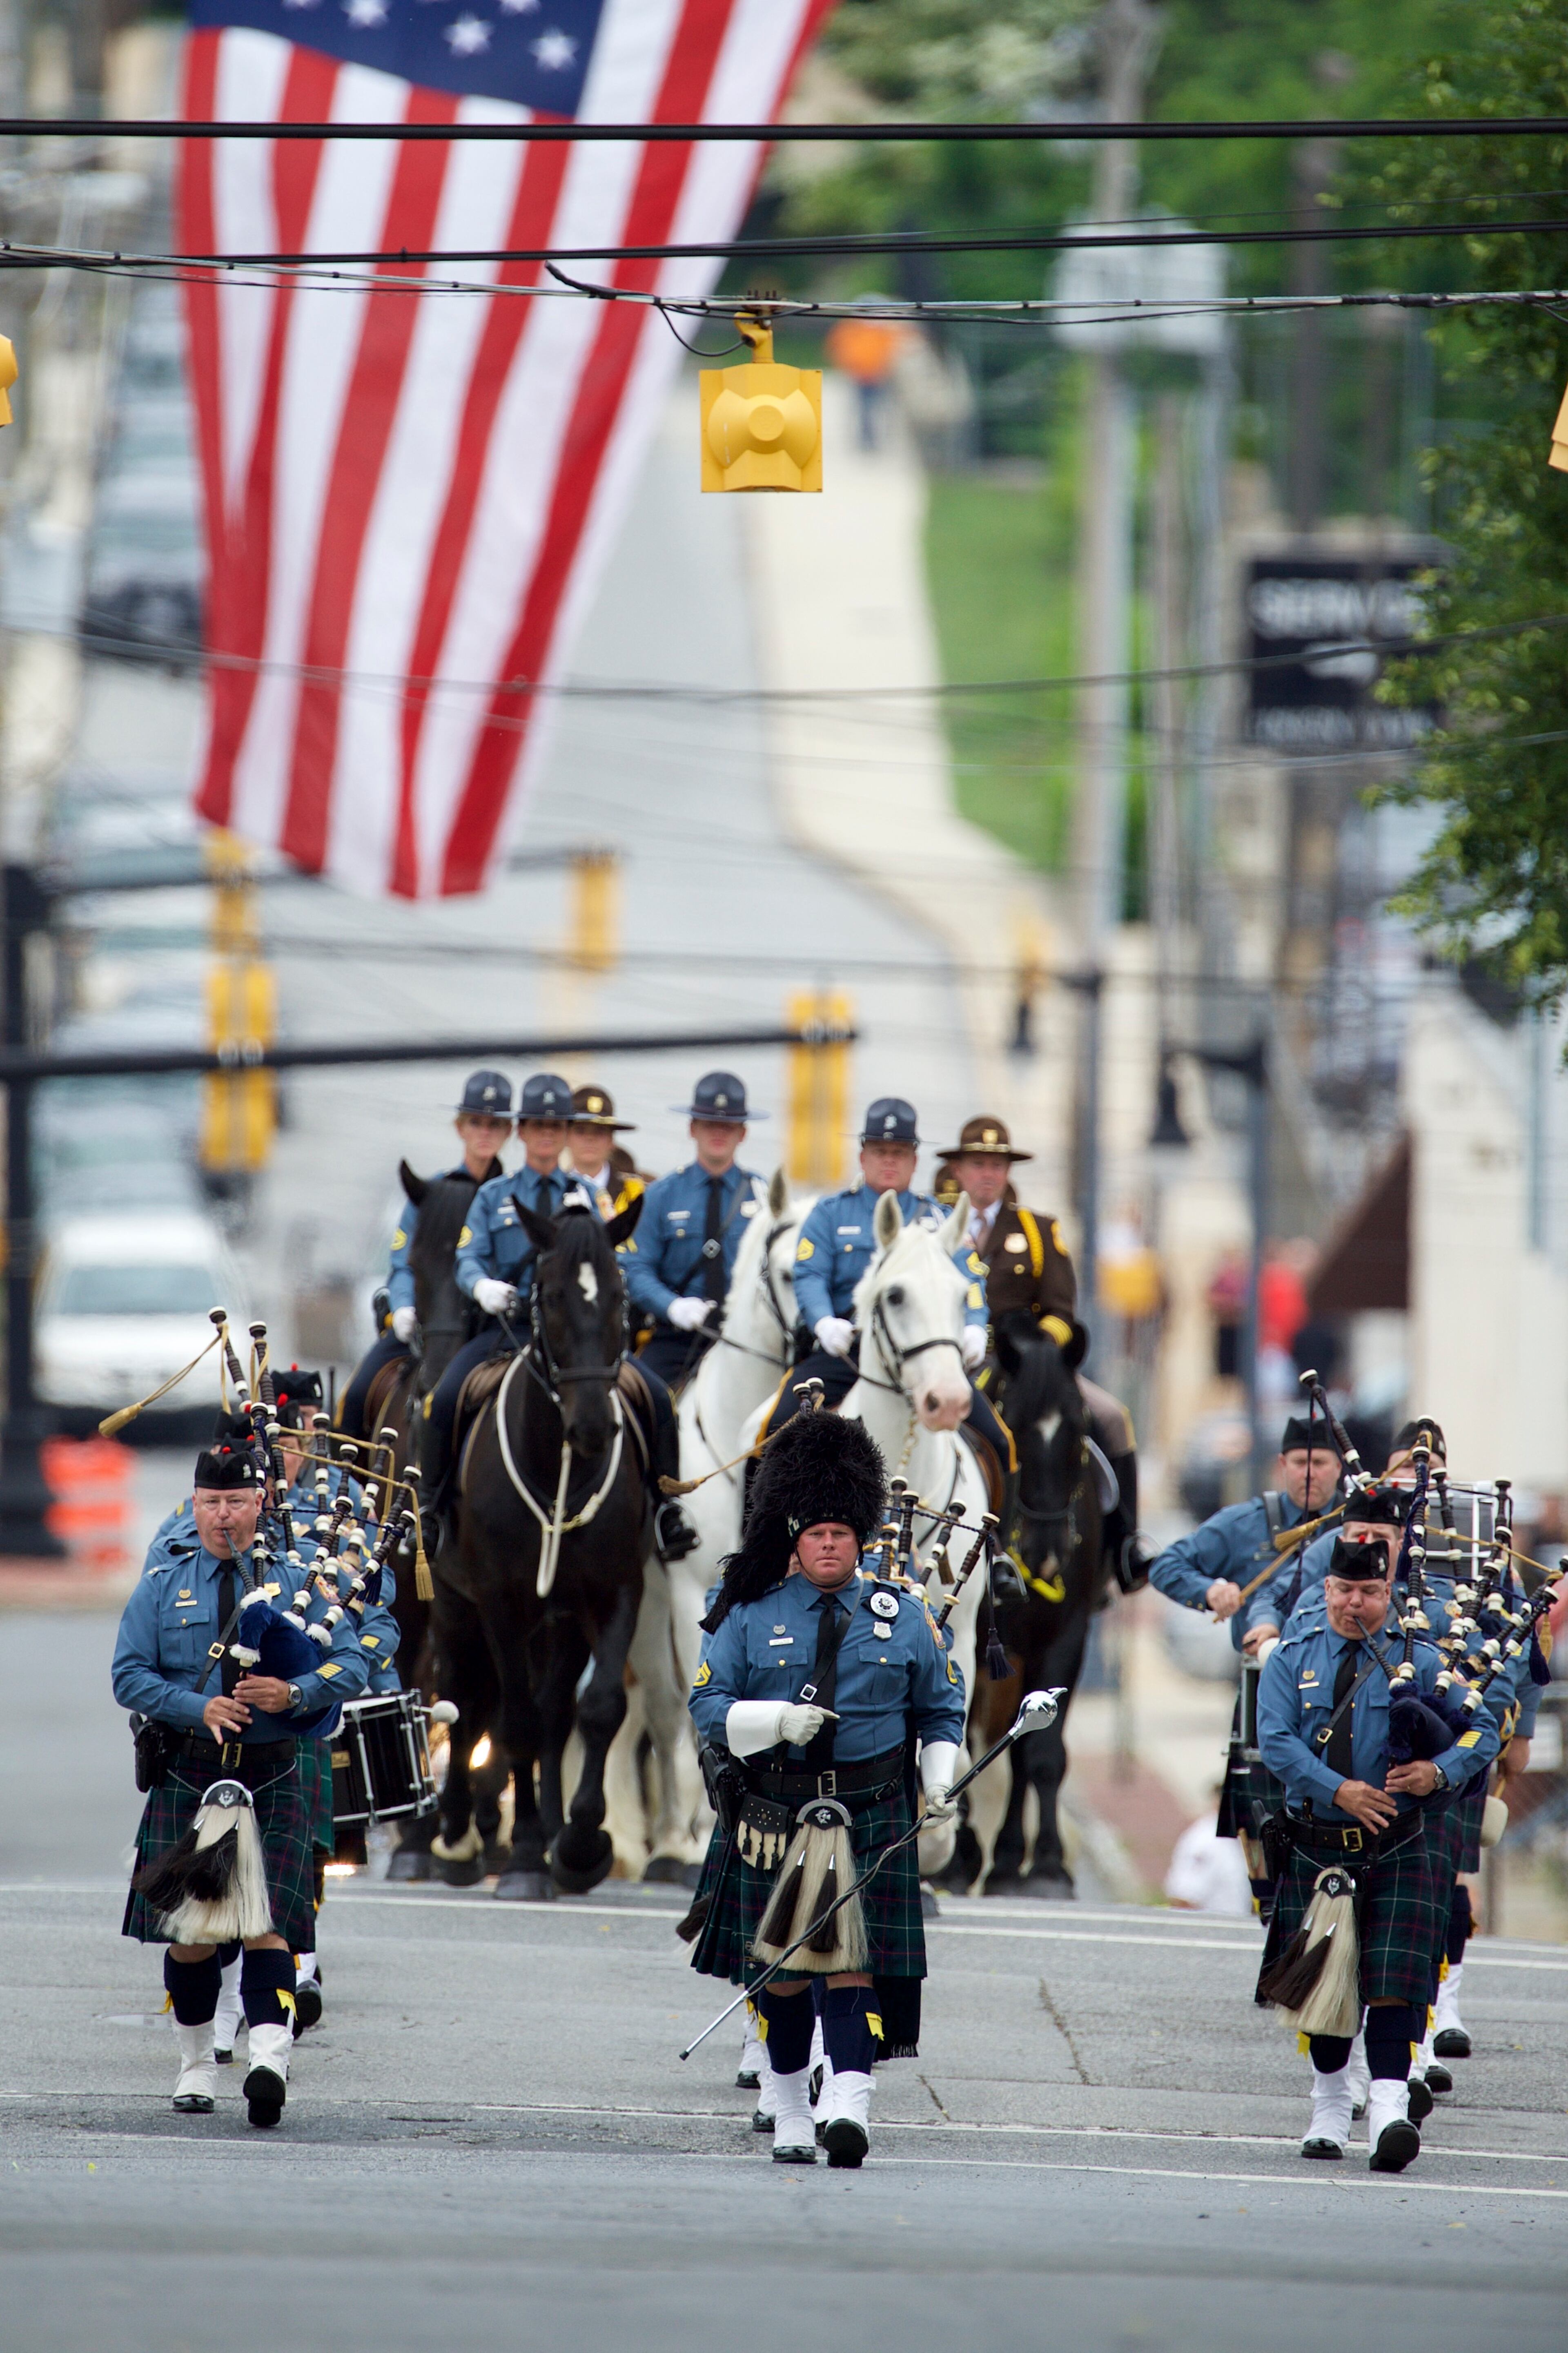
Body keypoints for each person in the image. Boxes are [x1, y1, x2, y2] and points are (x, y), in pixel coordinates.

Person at [685, 1408, 964, 2168]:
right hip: (776, 1810)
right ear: (795, 1538)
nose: (830, 1543)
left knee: (852, 1966)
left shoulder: (904, 1619)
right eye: (817, 1533)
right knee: (778, 1974)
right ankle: (787, 2108)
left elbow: (941, 1708)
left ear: (860, 1535)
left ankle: (848, 2103)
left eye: (842, 1531)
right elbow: (707, 1707)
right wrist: (776, 1719)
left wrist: (940, 1784)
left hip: (873, 1811)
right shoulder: (748, 1615)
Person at [113, 1441, 370, 2127]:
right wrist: (198, 1707)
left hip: (275, 1768)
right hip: (192, 1771)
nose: (224, 1515)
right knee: (192, 1938)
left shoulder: (297, 1579)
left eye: (236, 1502)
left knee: (267, 1928)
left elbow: (352, 1662)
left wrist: (295, 1690)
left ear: (260, 1504)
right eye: (211, 1502)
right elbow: (129, 1675)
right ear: (193, 1507)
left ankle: (269, 2057)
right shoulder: (164, 1584)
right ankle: (197, 2060)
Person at [1255, 1534, 1499, 2172]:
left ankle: (1389, 2109)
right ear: (1326, 1590)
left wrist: (1438, 1772)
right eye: (1344, 1591)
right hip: (1321, 1842)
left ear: (1388, 1593)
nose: (1354, 1604)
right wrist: (1339, 1789)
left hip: (1402, 1842)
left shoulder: (1427, 1657)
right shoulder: (1294, 1656)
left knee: (1395, 1986)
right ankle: (1331, 2106)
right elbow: (1276, 1741)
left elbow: (1483, 1732)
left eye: (1368, 1592)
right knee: (1328, 1988)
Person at [423, 1070, 695, 1560]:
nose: (547, 1134)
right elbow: (467, 1258)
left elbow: (610, 1266)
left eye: (557, 1126)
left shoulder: (589, 1197)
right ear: (521, 1132)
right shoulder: (494, 1195)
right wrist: (482, 1286)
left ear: (566, 1134)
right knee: (444, 1399)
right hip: (506, 1331)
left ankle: (665, 1510)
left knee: (656, 1396)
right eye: (536, 1125)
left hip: (574, 1338)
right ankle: (433, 1513)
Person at [933, 1113, 1143, 1578]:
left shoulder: (1038, 1230)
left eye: (997, 1164)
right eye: (977, 1163)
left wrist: (1040, 1357)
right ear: (959, 1170)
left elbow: (1062, 1310)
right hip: (948, 1362)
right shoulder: (934, 1226)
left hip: (1025, 1367)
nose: (987, 1173)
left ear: (1007, 1172)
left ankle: (1126, 1546)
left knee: (1112, 1417)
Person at [776, 1097, 1010, 1474]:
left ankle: (997, 1534)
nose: (890, 1160)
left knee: (998, 1442)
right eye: (880, 1151)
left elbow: (969, 1280)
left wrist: (973, 1324)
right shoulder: (831, 1213)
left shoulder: (940, 1219)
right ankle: (763, 1531)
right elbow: (810, 1275)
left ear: (915, 1161)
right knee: (774, 1431)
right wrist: (823, 1322)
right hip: (847, 1351)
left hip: (924, 1352)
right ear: (863, 1156)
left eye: (899, 1153)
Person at [339, 1070, 513, 1443]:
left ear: (508, 1132)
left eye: (495, 1124)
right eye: (476, 1122)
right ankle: (347, 1489)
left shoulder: (511, 1199)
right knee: (355, 1396)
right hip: (431, 1323)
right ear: (460, 1128)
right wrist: (402, 1308)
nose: (485, 1131)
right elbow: (403, 1262)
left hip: (490, 1327)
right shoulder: (430, 1193)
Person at [1150, 1416, 1342, 1657]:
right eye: (1300, 1462)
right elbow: (1166, 1566)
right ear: (1281, 1465)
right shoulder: (1246, 1523)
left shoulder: (1357, 1525)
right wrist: (1210, 1592)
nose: (1309, 1474)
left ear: (1338, 1467)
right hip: (1261, 1672)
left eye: (1319, 1462)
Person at [621, 1071, 766, 1390]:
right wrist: (672, 1306)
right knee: (634, 1398)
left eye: (728, 1126)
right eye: (709, 1123)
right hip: (676, 1337)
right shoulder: (661, 1195)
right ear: (692, 1129)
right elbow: (636, 1267)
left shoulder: (763, 1196)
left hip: (743, 1339)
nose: (719, 1133)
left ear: (742, 1133)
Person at [563, 1084, 647, 1220]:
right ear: (566, 1138)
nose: (590, 1139)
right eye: (580, 1131)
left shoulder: (636, 1194)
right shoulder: (554, 1191)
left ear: (611, 1140)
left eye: (599, 1131)